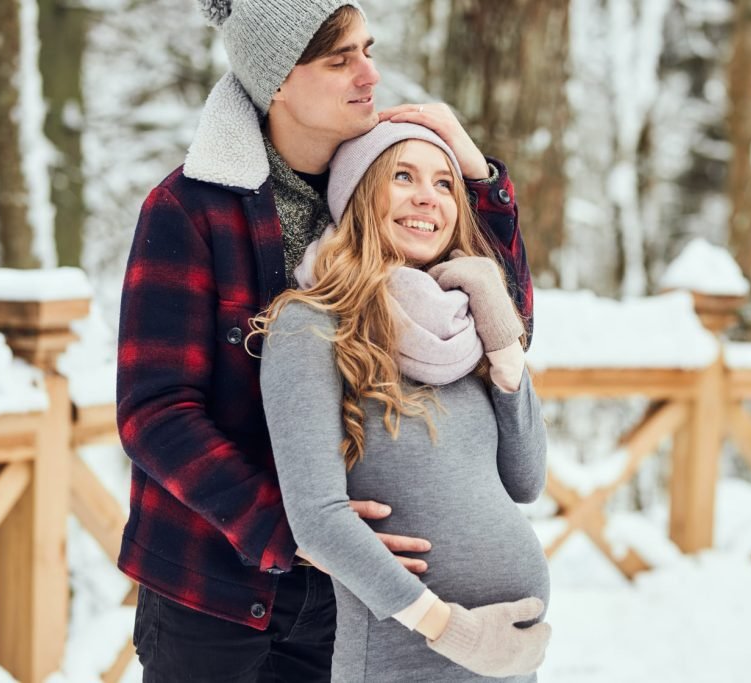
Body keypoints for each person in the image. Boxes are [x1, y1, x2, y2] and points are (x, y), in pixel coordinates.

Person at [115, 1, 533, 680]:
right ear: (278, 79)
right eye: (340, 60)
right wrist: (292, 530)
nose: (370, 74)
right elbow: (155, 413)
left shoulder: (380, 183)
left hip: (351, 597)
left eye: (368, 49)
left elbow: (500, 334)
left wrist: (479, 179)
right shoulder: (191, 210)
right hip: (215, 590)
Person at [255, 121, 551, 682]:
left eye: (444, 184)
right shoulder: (310, 324)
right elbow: (317, 519)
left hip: (505, 655)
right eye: (403, 176)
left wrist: (504, 341)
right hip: (406, 651)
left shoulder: (464, 330)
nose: (427, 197)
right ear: (358, 192)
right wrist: (450, 629)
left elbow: (526, 480)